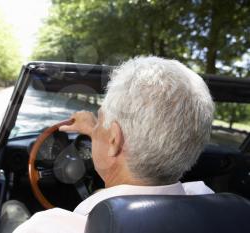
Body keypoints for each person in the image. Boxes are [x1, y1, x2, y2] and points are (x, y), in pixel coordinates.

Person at [12, 56, 215, 233]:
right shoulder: (211, 202)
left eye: (100, 120)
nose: (97, 126)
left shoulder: (47, 227)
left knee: (11, 209)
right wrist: (97, 129)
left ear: (114, 140)